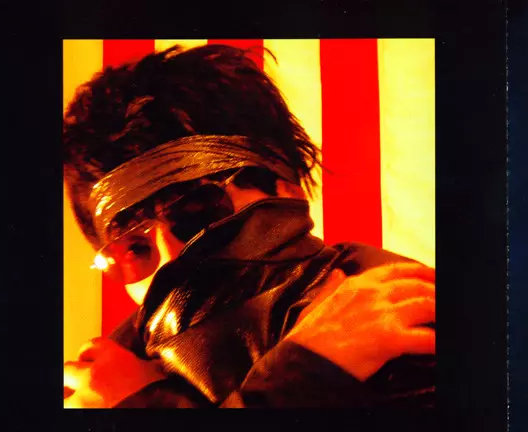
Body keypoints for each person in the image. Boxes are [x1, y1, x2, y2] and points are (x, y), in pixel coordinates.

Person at [62, 44, 435, 408]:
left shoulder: (391, 308)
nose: (169, 258)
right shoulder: (112, 372)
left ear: (284, 187)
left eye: (198, 211)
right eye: (135, 249)